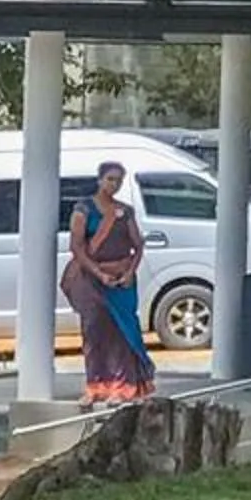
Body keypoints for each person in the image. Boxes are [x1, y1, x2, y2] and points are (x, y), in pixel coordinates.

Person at [63, 160, 158, 406]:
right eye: (110, 179)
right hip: (91, 279)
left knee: (121, 333)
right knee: (93, 331)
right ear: (100, 180)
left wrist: (129, 272)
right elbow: (77, 246)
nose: (114, 184)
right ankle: (94, 386)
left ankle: (123, 386)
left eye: (119, 180)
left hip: (120, 278)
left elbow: (137, 245)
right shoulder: (83, 209)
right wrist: (98, 273)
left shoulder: (125, 212)